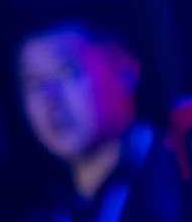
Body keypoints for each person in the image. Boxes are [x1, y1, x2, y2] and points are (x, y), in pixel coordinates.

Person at [16, 17, 183, 222]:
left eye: (68, 71)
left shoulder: (183, 170)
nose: (50, 98)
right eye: (34, 82)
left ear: (125, 70)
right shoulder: (43, 213)